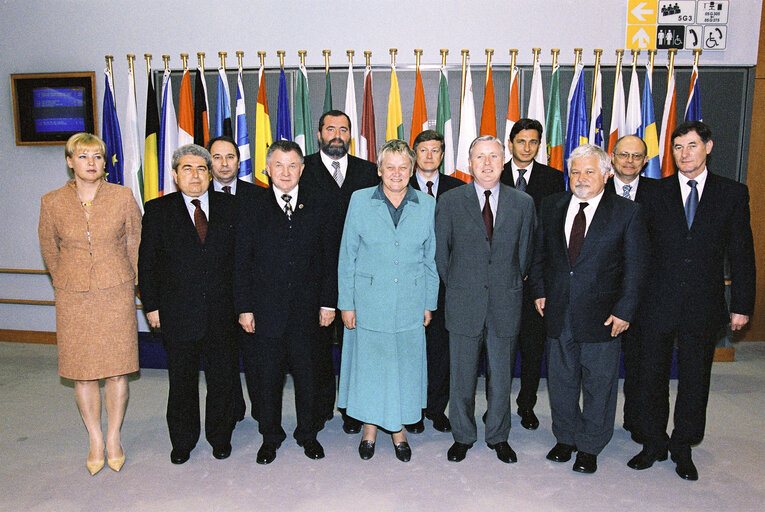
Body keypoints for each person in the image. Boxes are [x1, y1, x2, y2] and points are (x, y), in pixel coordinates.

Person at [628, 121, 756, 481]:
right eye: (678, 147)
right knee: (650, 376)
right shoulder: (653, 192)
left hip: (703, 304)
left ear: (708, 147)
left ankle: (683, 445)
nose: (685, 154)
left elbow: (742, 253)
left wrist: (742, 305)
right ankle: (652, 442)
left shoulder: (732, 194)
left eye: (692, 146)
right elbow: (638, 250)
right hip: (655, 303)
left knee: (695, 378)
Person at [529, 144, 649, 474]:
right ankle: (565, 438)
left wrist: (625, 310)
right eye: (575, 172)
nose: (581, 178)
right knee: (561, 380)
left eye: (589, 171)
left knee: (599, 384)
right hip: (557, 311)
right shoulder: (552, 205)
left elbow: (636, 267)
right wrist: (539, 291)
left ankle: (590, 446)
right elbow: (539, 255)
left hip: (603, 315)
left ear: (607, 175)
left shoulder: (627, 212)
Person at [38, 132, 142, 475]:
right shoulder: (51, 201)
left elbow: (135, 241)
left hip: (116, 292)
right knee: (82, 373)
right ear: (70, 162)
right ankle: (95, 439)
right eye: (83, 157)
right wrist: (66, 279)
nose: (91, 163)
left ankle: (114, 437)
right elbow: (50, 249)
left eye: (97, 157)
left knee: (115, 370)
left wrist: (132, 279)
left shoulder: (123, 196)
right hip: (73, 296)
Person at [235, 140, 340, 464]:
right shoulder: (251, 207)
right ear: (267, 169)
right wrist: (244, 307)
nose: (285, 172)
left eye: (292, 165)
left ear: (302, 169)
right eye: (278, 165)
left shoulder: (319, 204)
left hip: (309, 315)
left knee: (309, 378)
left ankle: (308, 434)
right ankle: (271, 437)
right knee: (267, 382)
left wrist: (328, 303)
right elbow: (241, 262)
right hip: (266, 314)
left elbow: (329, 259)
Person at [435, 135, 536, 464]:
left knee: (501, 376)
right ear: (469, 163)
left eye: (494, 156)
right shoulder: (450, 201)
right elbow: (441, 256)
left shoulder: (523, 203)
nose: (488, 163)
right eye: (480, 157)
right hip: (463, 304)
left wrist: (504, 284)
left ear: (504, 160)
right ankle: (462, 435)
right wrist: (463, 286)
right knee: (461, 376)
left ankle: (498, 435)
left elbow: (524, 256)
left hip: (505, 304)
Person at [337, 139, 439, 462]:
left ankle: (399, 432)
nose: (396, 173)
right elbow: (347, 256)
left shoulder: (427, 204)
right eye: (389, 167)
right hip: (368, 303)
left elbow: (430, 259)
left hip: (410, 302)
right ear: (379, 169)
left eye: (403, 167)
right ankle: (369, 428)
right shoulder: (359, 200)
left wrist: (429, 303)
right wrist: (346, 303)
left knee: (403, 370)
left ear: (412, 170)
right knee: (369, 369)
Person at [138, 144, 238, 465]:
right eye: (187, 168)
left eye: (200, 169)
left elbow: (242, 262)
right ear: (175, 174)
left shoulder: (231, 207)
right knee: (181, 383)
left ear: (210, 174)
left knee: (222, 381)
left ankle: (220, 437)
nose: (194, 175)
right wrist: (151, 306)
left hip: (223, 314)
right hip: (177, 314)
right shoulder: (157, 211)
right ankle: (182, 441)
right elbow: (147, 264)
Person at [300, 109, 378, 434]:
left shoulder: (369, 172)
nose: (337, 135)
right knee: (316, 348)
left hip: (360, 275)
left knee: (356, 347)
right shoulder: (302, 168)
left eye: (343, 129)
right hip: (314, 274)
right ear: (319, 134)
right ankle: (320, 408)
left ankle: (351, 410)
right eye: (330, 129)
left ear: (351, 135)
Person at [499, 118, 565, 431]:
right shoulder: (494, 174)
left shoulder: (554, 179)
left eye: (533, 142)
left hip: (536, 280)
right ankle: (496, 407)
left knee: (532, 348)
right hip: (500, 280)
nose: (527, 147)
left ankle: (526, 405)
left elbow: (553, 233)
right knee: (499, 348)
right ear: (510, 143)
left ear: (540, 145)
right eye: (521, 141)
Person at [404, 129, 464, 434]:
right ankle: (412, 410)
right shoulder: (399, 186)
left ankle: (437, 409)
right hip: (409, 283)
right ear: (414, 154)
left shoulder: (459, 189)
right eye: (423, 150)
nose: (429, 156)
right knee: (413, 349)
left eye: (435, 150)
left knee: (442, 349)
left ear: (443, 155)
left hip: (447, 284)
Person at [606, 134, 658, 443]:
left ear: (645, 161)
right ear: (612, 158)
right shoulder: (595, 188)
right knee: (601, 367)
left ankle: (635, 420)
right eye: (624, 155)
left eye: (636, 156)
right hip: (601, 293)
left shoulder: (659, 194)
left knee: (640, 364)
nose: (629, 161)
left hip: (642, 295)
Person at [207, 135, 260, 424]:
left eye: (230, 157)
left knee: (254, 359)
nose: (224, 163)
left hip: (251, 293)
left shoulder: (258, 196)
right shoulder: (200, 199)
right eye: (217, 157)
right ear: (209, 161)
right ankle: (232, 408)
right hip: (215, 296)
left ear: (239, 162)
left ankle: (262, 411)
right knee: (223, 361)